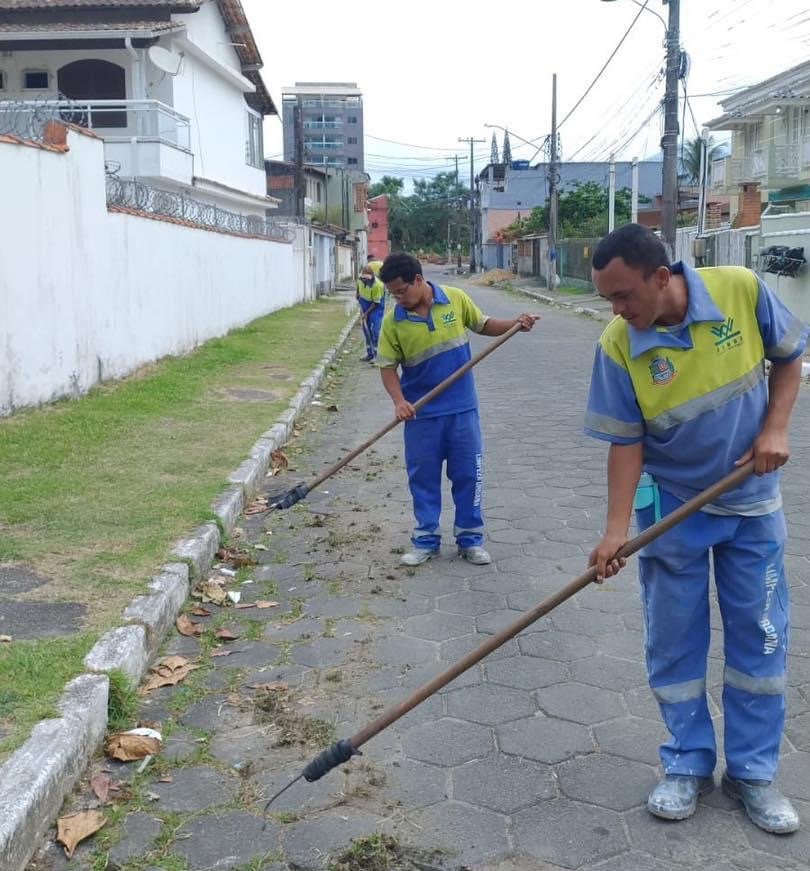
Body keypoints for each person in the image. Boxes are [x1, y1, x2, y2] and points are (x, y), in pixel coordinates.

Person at [584, 223, 807, 834]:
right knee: (674, 641)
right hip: (672, 513)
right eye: (608, 299)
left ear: (663, 277)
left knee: (760, 641)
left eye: (625, 295)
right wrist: (613, 532)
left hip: (751, 506)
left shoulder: (740, 289)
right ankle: (686, 763)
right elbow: (625, 444)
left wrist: (776, 429)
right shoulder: (618, 343)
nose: (618, 311)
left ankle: (754, 774)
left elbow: (790, 361)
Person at [377, 252, 537, 566]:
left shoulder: (455, 298)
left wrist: (515, 324)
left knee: (468, 475)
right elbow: (386, 367)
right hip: (422, 416)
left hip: (462, 411)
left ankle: (470, 539)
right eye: (392, 293)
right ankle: (425, 540)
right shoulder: (393, 322)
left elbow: (484, 324)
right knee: (422, 479)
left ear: (419, 280)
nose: (398, 298)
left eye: (401, 290)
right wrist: (399, 402)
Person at [356, 266, 385, 362]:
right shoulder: (360, 280)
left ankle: (377, 355)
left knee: (375, 332)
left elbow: (376, 303)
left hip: (376, 307)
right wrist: (357, 294)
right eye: (363, 278)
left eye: (366, 279)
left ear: (371, 276)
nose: (364, 280)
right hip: (364, 304)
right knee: (366, 331)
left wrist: (366, 313)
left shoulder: (377, 285)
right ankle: (370, 354)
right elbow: (358, 287)